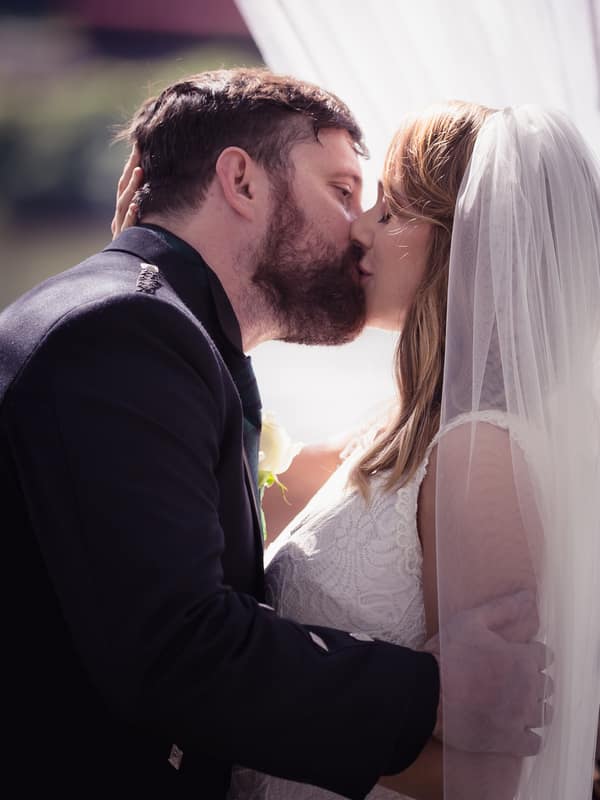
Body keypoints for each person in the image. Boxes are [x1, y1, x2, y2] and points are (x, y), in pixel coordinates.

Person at [0, 69, 546, 800]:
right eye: (343, 191)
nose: (357, 227)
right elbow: (178, 649)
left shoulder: (149, 332)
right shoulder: (125, 333)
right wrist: (432, 695)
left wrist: (153, 269)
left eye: (382, 206)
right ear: (241, 182)